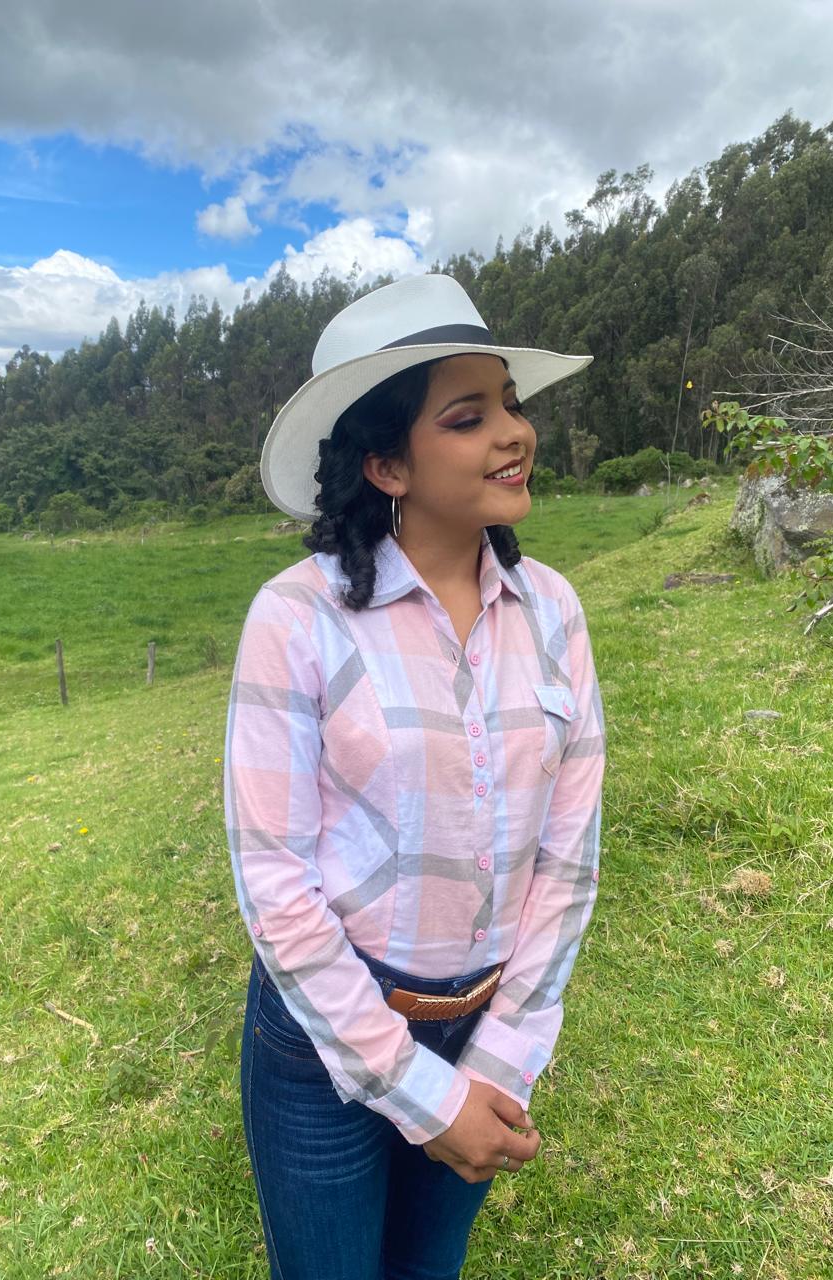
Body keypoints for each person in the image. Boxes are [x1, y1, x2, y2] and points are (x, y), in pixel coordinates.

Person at [224, 273, 606, 1280]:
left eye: (510, 405)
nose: (514, 434)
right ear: (388, 463)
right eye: (468, 417)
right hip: (324, 1038)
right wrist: (421, 1097)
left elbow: (568, 862)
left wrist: (501, 1059)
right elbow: (275, 883)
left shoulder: (555, 613)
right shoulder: (296, 619)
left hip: (486, 1028)